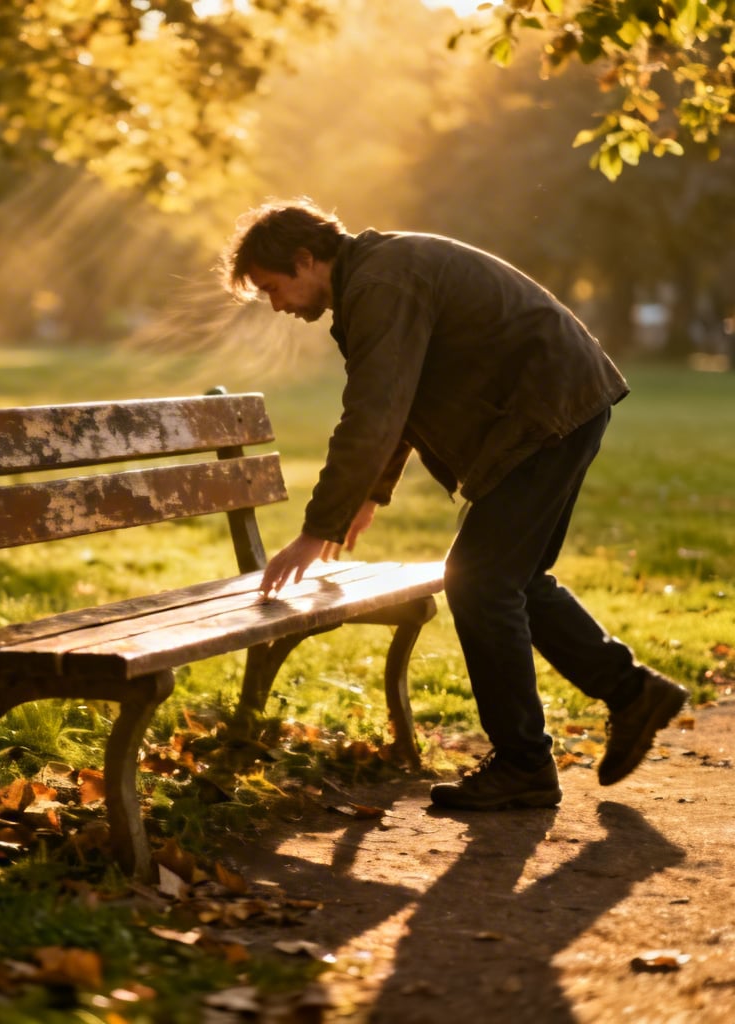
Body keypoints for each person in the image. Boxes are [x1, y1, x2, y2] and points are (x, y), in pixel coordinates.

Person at [218, 197, 688, 811]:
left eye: (273, 287)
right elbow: (403, 397)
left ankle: (523, 765)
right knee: (512, 579)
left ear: (306, 258)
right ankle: (631, 693)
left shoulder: (381, 283)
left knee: (479, 582)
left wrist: (316, 530)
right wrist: (369, 495)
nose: (276, 305)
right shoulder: (379, 274)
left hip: (543, 410)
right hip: (553, 404)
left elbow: (375, 410)